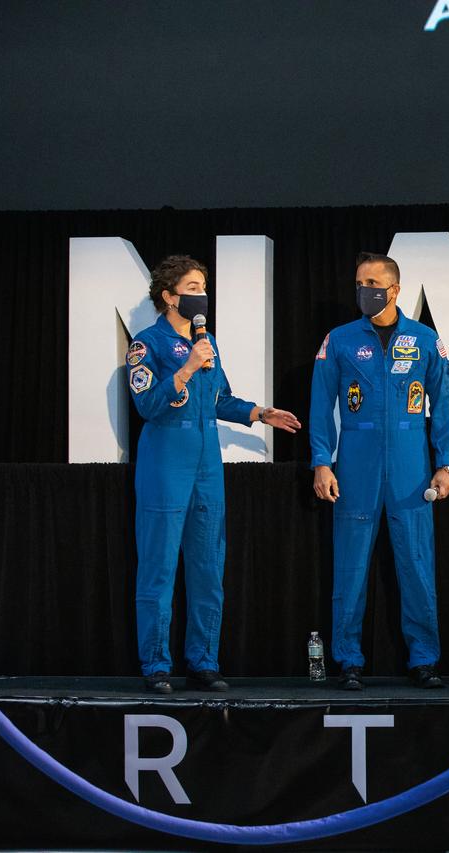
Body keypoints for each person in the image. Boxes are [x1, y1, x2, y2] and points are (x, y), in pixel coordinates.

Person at [128, 255, 301, 694]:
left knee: (208, 567)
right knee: (160, 567)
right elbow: (147, 405)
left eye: (203, 286)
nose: (200, 295)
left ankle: (203, 661)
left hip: (207, 463)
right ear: (168, 297)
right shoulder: (146, 344)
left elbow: (219, 398)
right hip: (166, 458)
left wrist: (259, 413)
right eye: (191, 287)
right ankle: (156, 666)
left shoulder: (210, 342)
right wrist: (185, 368)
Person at [310, 252, 449, 690]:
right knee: (351, 567)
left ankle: (424, 660)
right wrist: (322, 461)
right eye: (359, 282)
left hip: (411, 466)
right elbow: (321, 407)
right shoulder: (338, 340)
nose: (364, 290)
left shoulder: (425, 340)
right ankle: (349, 661)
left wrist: (445, 464)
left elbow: (444, 405)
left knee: (416, 564)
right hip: (356, 461)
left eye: (373, 282)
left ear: (394, 290)